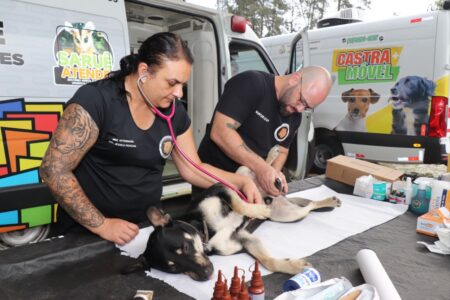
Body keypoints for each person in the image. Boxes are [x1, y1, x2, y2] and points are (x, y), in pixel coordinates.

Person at [39, 32, 262, 246]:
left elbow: (194, 169)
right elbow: (54, 169)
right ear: (144, 71)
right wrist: (102, 225)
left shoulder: (174, 113)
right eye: (172, 83)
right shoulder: (96, 101)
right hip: (88, 234)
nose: (179, 94)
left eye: (183, 85)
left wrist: (239, 181)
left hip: (144, 230)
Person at [197, 66, 332, 197]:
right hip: (214, 183)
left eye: (307, 107)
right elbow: (220, 131)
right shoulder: (252, 83)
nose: (300, 109)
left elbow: (282, 150)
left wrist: (272, 175)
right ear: (295, 79)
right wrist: (261, 168)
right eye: (302, 100)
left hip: (249, 191)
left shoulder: (295, 116)